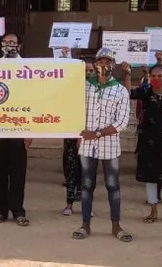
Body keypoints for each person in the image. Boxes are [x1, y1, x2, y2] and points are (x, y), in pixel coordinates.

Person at [70, 49, 132, 241]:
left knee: (113, 186)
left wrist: (95, 134)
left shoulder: (120, 90)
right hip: (87, 147)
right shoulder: (84, 87)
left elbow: (122, 122)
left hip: (110, 146)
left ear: (113, 65)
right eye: (100, 61)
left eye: (108, 61)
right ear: (95, 64)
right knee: (87, 185)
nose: (104, 65)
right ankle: (85, 225)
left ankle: (116, 226)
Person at [0, 32, 33, 227]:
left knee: (17, 172)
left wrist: (30, 131)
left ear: (19, 46)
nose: (10, 45)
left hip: (19, 128)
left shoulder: (28, 69)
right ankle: (0, 210)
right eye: (6, 42)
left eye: (13, 42)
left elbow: (32, 99)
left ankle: (18, 210)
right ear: (1, 45)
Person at [123, 63, 162, 223]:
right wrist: (127, 74)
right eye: (153, 76)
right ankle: (153, 211)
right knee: (150, 177)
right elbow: (127, 93)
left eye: (160, 76)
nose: (157, 79)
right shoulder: (145, 91)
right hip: (148, 140)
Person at [61, 52, 92, 216]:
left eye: (90, 71)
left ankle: (87, 206)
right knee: (71, 170)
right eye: (85, 70)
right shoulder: (71, 88)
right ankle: (69, 204)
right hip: (72, 135)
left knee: (88, 172)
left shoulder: (96, 90)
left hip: (91, 136)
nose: (88, 74)